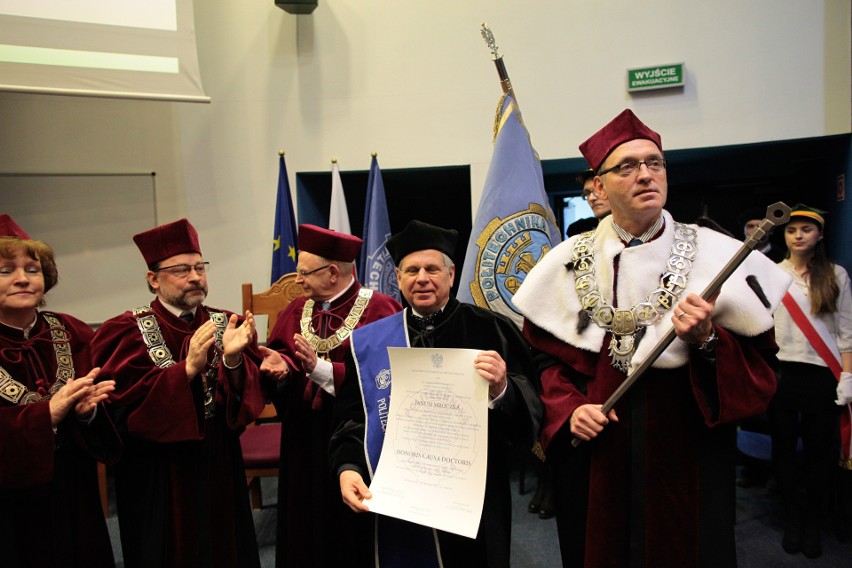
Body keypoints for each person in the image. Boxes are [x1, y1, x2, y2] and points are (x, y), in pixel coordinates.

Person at [513, 109, 792, 567]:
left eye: (655, 163)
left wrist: (707, 340)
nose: (646, 174)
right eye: (627, 166)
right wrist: (569, 409)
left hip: (689, 450)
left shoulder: (716, 253)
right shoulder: (565, 261)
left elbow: (762, 369)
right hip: (599, 453)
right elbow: (544, 364)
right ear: (598, 187)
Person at [329, 220, 542, 567]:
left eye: (432, 268)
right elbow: (354, 416)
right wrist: (348, 467)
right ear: (398, 278)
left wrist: (503, 388)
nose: (422, 278)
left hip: (474, 494)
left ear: (451, 274)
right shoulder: (371, 342)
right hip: (401, 494)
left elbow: (532, 411)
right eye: (411, 270)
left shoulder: (491, 329)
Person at [90, 218, 266, 568]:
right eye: (182, 269)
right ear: (153, 279)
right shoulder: (122, 331)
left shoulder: (226, 322)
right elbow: (122, 410)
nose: (196, 277)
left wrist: (232, 360)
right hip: (157, 470)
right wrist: (184, 371)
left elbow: (250, 399)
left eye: (200, 267)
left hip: (218, 457)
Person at [260, 224, 401, 568]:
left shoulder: (382, 310)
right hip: (304, 438)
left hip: (358, 437)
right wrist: (281, 371)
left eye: (304, 273)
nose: (298, 281)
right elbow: (282, 364)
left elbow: (386, 381)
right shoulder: (295, 310)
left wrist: (320, 370)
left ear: (333, 272)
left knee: (352, 534)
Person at [0, 213, 120, 568]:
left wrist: (89, 414)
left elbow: (110, 406)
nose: (23, 279)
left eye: (32, 269)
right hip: (9, 505)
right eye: (6, 270)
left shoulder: (73, 331)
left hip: (74, 491)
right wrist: (46, 415)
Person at [769, 204, 852, 558]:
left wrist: (847, 375)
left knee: (820, 455)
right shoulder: (771, 273)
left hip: (822, 377)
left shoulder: (835, 275)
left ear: (819, 236)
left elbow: (846, 332)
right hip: (783, 375)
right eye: (792, 230)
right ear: (784, 235)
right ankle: (792, 518)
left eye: (806, 229)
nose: (798, 235)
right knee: (784, 452)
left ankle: (814, 523)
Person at [566, 169, 612, 238]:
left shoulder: (632, 231)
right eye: (587, 193)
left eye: (599, 189)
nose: (591, 198)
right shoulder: (578, 233)